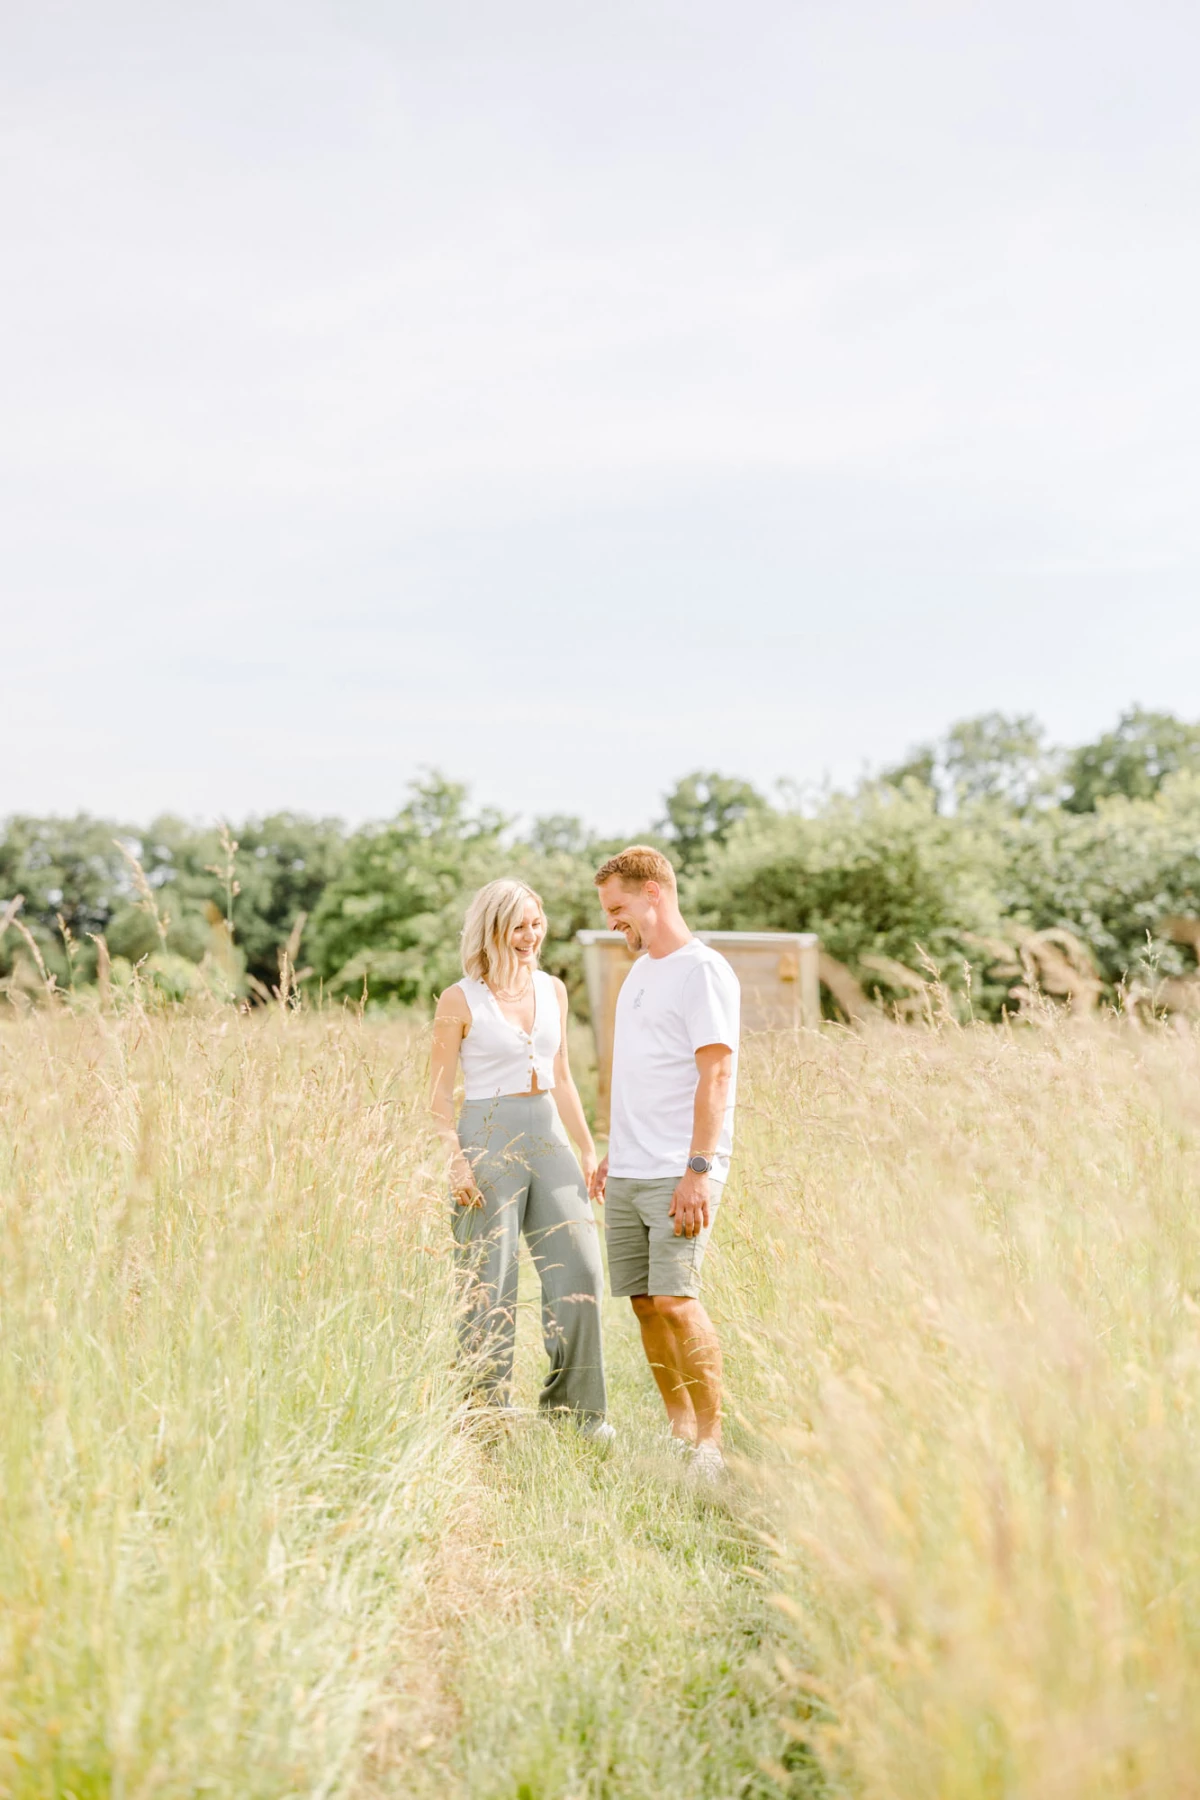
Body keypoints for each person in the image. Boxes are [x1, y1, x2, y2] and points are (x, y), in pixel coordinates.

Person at [430, 878, 611, 1440]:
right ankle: (485, 1415)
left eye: (537, 924)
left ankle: (577, 1415)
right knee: (490, 1280)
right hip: (486, 1140)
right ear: (492, 930)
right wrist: (455, 1161)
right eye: (518, 927)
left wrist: (586, 1148)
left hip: (549, 1136)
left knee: (582, 1268)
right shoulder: (459, 1000)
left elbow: (562, 1076)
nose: (531, 936)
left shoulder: (552, 989)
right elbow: (437, 1097)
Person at [589, 846, 739, 1482]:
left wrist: (698, 1170)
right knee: (645, 1303)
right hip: (630, 1164)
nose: (613, 921)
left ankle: (711, 1445)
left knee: (677, 1300)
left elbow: (717, 1074)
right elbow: (638, 1074)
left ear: (654, 893)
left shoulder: (701, 971)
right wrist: (611, 1150)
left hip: (680, 1169)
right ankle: (677, 1431)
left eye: (618, 907)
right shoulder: (639, 974)